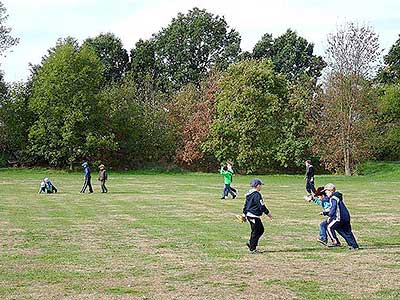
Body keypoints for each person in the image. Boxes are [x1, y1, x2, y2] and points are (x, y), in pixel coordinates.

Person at [323, 183, 359, 250]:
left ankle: (335, 242)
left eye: (326, 191)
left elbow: (334, 208)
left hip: (339, 218)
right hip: (346, 217)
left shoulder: (333, 198)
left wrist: (329, 215)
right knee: (347, 231)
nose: (326, 193)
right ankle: (354, 245)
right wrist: (325, 212)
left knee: (328, 227)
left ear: (331, 191)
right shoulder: (337, 197)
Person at [242, 178, 272, 254]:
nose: (261, 187)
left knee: (259, 230)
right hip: (253, 216)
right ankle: (252, 248)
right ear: (257, 186)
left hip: (251, 215)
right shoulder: (256, 194)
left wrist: (244, 214)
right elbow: (261, 205)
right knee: (257, 231)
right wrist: (268, 213)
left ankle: (251, 243)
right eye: (261, 185)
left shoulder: (249, 194)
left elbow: (246, 205)